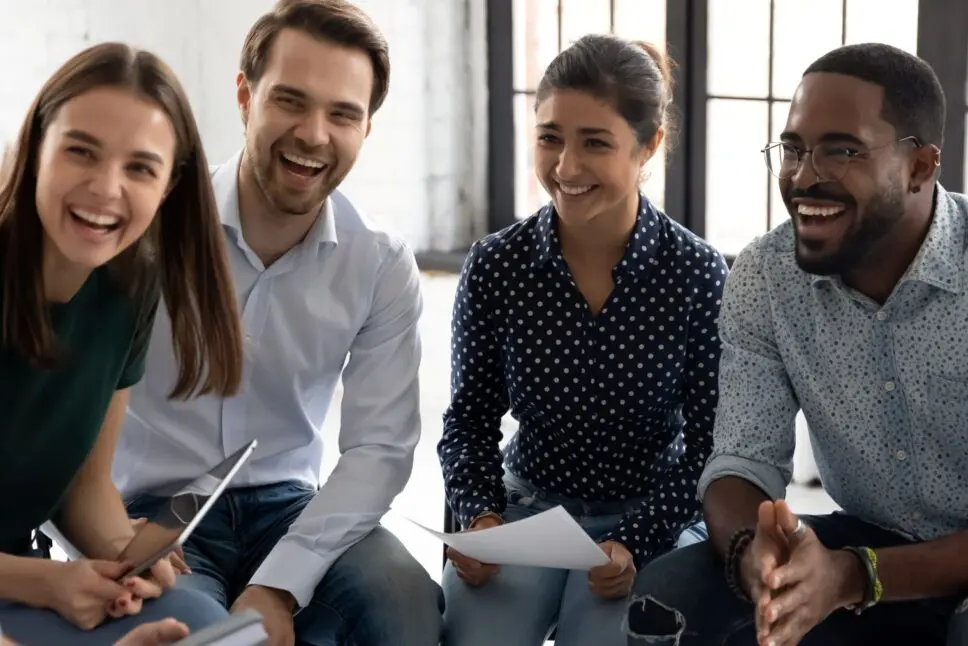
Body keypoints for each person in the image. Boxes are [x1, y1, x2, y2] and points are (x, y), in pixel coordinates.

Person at [111, 1, 443, 645]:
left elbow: (379, 448)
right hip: (156, 514)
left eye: (343, 113)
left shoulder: (378, 261)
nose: (314, 134)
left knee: (404, 601)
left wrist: (281, 581)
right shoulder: (149, 232)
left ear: (366, 127)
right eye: (290, 101)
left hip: (293, 506)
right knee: (201, 634)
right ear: (245, 96)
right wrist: (106, 538)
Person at [626, 43, 968, 646]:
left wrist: (852, 576)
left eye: (842, 150)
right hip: (865, 540)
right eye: (793, 148)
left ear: (920, 167)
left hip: (911, 562)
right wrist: (752, 554)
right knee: (670, 594)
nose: (804, 176)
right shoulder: (766, 275)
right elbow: (741, 460)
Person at [438, 33, 728, 646]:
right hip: (526, 510)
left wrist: (635, 542)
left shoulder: (698, 273)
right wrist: (480, 519)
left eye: (595, 143)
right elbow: (468, 421)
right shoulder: (496, 265)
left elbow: (711, 448)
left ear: (649, 145)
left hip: (649, 512)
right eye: (549, 138)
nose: (566, 168)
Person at [0, 42, 244, 645]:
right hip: (17, 585)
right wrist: (43, 583)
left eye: (140, 167)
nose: (106, 188)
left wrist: (126, 557)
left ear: (168, 185)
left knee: (197, 625)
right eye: (80, 151)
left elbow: (86, 488)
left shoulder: (130, 291)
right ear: (36, 150)